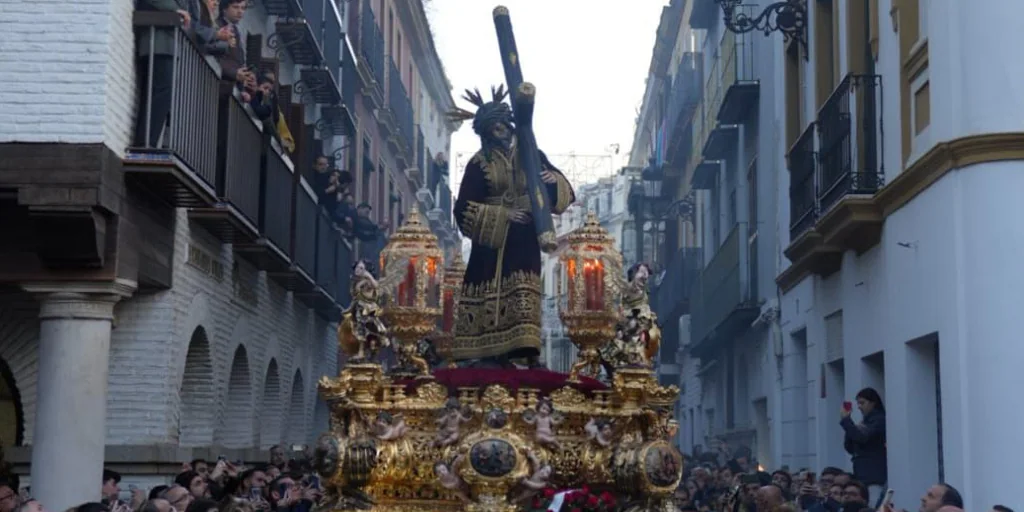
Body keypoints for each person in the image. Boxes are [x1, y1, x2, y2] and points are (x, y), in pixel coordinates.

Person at [448, 86, 575, 368]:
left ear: (509, 124)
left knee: (523, 290)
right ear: (486, 133)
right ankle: (489, 351)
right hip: (491, 243)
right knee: (488, 290)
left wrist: (552, 179)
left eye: (502, 125)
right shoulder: (479, 163)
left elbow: (563, 195)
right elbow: (463, 208)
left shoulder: (531, 154)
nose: (501, 131)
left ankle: (529, 352)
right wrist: (503, 215)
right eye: (494, 128)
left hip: (524, 238)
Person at [840, 387, 886, 506]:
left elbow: (862, 438)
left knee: (872, 505)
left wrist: (847, 422)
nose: (859, 407)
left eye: (862, 403)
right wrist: (850, 426)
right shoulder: (865, 422)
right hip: (862, 475)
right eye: (858, 403)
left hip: (874, 475)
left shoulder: (878, 420)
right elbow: (850, 447)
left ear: (873, 403)